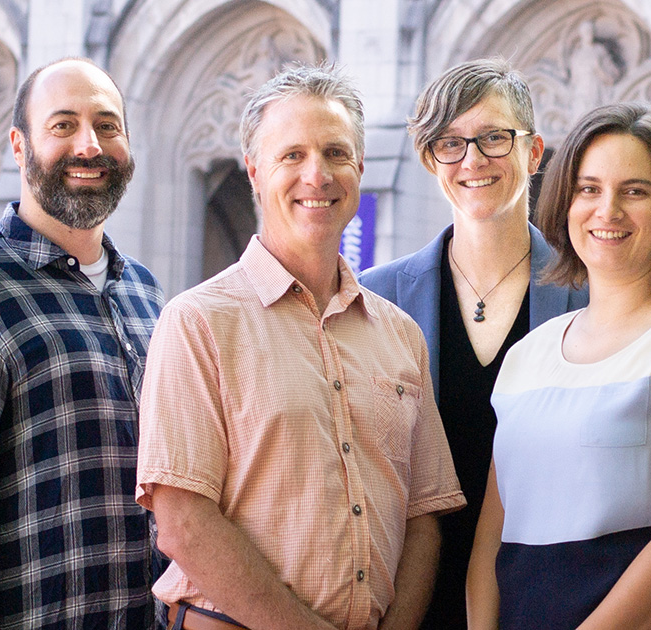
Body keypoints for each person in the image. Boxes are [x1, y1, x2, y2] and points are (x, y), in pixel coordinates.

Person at [135, 64, 465, 630]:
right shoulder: (197, 322)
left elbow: (423, 516)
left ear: (360, 167)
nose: (318, 175)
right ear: (255, 171)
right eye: (292, 156)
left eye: (336, 153)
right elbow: (183, 522)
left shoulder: (399, 334)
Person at [467, 102, 651, 630]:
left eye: (635, 191)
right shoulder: (526, 356)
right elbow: (490, 542)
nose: (608, 210)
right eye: (589, 188)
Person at [0, 58, 161, 628]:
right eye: (63, 125)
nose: (89, 145)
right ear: (19, 146)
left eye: (107, 125)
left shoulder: (145, 292)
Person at [360, 57, 587, 627]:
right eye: (451, 143)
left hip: (557, 595)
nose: (473, 160)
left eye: (493, 137)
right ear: (429, 159)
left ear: (533, 152)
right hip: (411, 597)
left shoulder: (589, 290)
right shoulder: (374, 297)